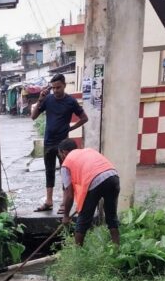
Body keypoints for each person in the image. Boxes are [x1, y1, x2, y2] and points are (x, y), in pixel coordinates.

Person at [31, 73, 89, 213]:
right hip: (48, 142)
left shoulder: (71, 101)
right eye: (54, 88)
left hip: (63, 144)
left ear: (64, 85)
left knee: (65, 173)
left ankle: (64, 203)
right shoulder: (47, 99)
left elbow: (84, 118)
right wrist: (40, 100)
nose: (56, 90)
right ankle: (49, 201)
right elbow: (33, 117)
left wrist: (70, 128)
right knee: (49, 171)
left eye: (58, 87)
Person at [58, 138, 120, 246]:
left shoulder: (66, 164)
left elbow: (69, 195)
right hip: (112, 176)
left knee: (83, 218)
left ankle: (78, 253)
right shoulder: (89, 151)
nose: (62, 158)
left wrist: (66, 216)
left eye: (61, 155)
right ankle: (117, 247)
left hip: (94, 180)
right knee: (111, 215)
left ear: (64, 152)